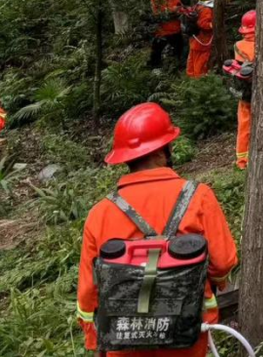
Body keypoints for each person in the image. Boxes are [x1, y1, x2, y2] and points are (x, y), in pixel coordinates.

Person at [76, 103, 238, 357]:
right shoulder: (198, 197)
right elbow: (224, 263)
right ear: (165, 148)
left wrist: (95, 338)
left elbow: (88, 294)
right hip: (186, 334)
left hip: (125, 339)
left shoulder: (100, 213)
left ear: (124, 157)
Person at [233, 10, 256, 170]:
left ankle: (242, 160)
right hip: (260, 90)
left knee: (244, 125)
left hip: (244, 92)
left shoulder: (238, 45)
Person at [149, 0, 186, 71]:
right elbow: (158, 14)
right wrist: (174, 10)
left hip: (176, 28)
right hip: (163, 31)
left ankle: (177, 67)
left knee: (179, 48)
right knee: (157, 50)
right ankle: (155, 67)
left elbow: (179, 6)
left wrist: (181, 10)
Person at [185, 0, 215, 78]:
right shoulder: (206, 10)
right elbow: (204, 25)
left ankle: (191, 78)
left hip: (195, 39)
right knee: (200, 62)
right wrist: (214, 25)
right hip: (202, 41)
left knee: (192, 60)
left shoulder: (197, 6)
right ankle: (199, 81)